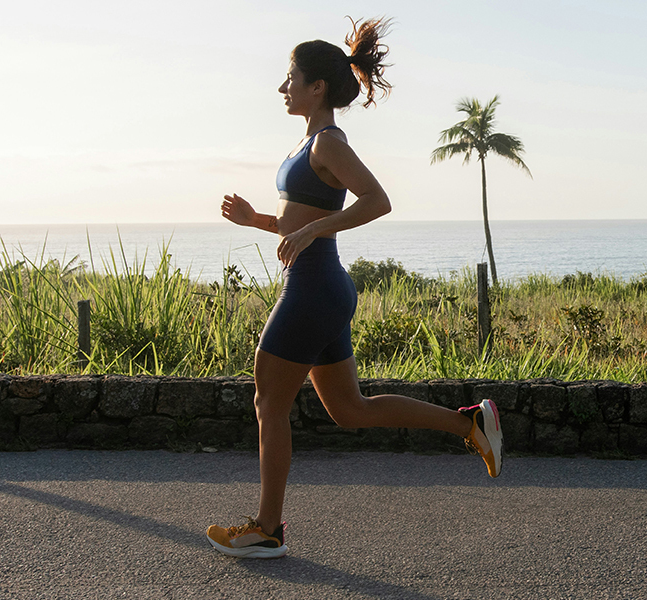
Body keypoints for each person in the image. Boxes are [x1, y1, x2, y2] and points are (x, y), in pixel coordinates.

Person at [206, 17, 503, 559]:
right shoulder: (306, 145)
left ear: (317, 86)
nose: (282, 87)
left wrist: (314, 228)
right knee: (351, 410)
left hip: (313, 289)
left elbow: (377, 200)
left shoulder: (328, 143)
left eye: (290, 77)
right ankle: (470, 424)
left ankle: (267, 529)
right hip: (323, 287)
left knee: (268, 402)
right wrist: (257, 221)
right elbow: (300, 220)